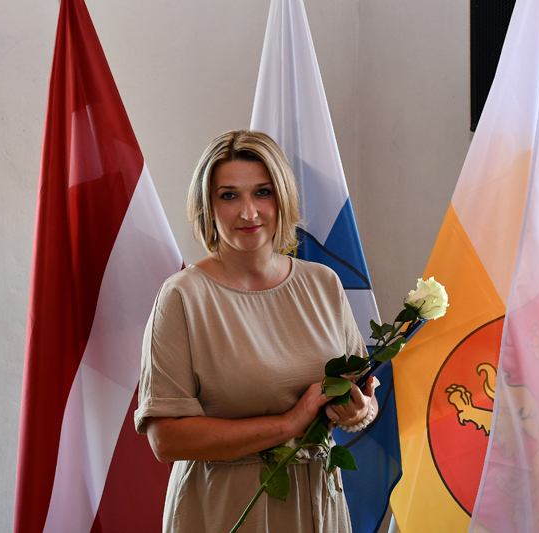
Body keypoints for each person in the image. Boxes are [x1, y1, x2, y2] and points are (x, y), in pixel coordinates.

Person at [134, 130, 379, 533]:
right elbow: (166, 440)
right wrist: (289, 424)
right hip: (224, 509)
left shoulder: (323, 283)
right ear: (208, 207)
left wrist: (357, 411)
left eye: (262, 193)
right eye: (229, 195)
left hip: (318, 504)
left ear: (282, 197)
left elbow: (363, 397)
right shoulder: (182, 296)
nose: (249, 213)